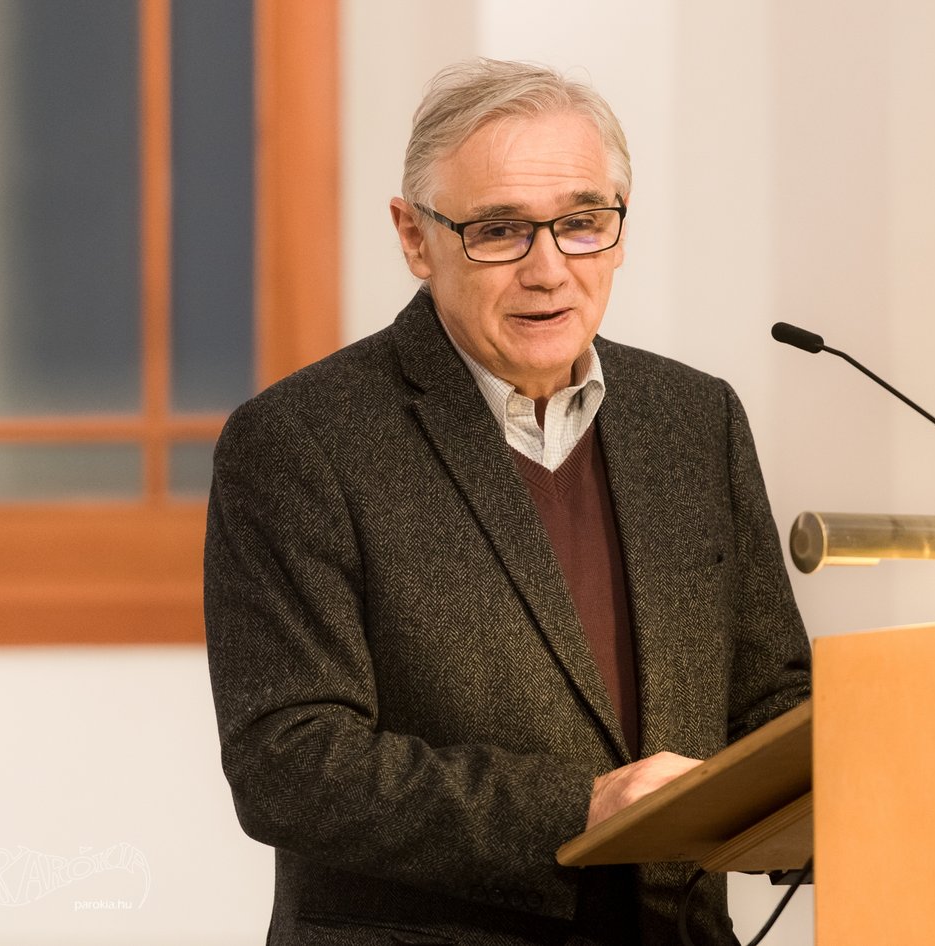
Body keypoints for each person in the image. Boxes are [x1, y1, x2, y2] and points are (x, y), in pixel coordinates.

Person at [204, 58, 810, 945]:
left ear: (619, 228)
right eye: (499, 231)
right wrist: (585, 807)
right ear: (415, 238)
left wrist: (866, 780)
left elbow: (770, 697)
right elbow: (289, 763)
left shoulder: (695, 418)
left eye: (582, 224)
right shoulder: (301, 440)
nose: (549, 269)